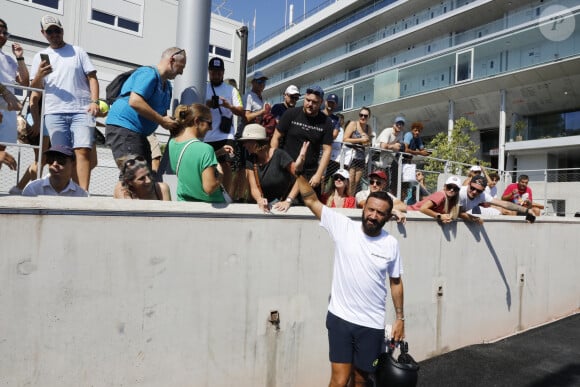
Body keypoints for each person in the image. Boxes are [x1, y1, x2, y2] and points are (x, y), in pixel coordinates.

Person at [294, 168, 405, 387]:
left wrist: (400, 318)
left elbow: (396, 282)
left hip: (371, 324)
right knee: (339, 379)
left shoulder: (391, 244)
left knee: (361, 379)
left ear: (387, 216)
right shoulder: (344, 227)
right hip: (340, 320)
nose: (373, 216)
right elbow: (311, 200)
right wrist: (298, 173)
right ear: (364, 209)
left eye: (380, 213)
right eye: (370, 210)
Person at [30, 15, 99, 191]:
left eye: (57, 30)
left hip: (82, 110)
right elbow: (35, 89)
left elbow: (92, 78)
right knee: (61, 156)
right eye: (49, 31)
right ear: (43, 33)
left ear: (62, 30)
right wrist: (39, 75)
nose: (54, 34)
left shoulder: (78, 51)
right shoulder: (39, 57)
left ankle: (83, 194)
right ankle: (65, 192)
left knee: (83, 151)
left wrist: (94, 101)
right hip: (53, 112)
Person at [106, 47, 185, 170]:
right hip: (125, 128)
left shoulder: (167, 87)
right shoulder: (148, 74)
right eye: (182, 66)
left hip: (139, 134)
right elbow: (135, 101)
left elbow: (162, 115)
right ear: (172, 60)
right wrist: (162, 121)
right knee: (134, 175)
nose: (181, 72)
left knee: (144, 176)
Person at [270, 85, 333, 201]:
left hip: (310, 175)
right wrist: (274, 162)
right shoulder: (291, 114)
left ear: (321, 103)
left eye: (314, 102)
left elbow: (327, 150)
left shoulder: (326, 122)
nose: (310, 104)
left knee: (310, 211)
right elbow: (276, 137)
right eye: (308, 100)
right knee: (280, 207)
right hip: (287, 170)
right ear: (304, 98)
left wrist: (319, 174)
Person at [168, 103, 233, 203]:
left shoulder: (172, 143)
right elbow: (209, 188)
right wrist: (220, 174)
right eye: (209, 123)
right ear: (197, 121)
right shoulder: (206, 149)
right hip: (209, 209)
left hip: (184, 204)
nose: (211, 128)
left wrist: (217, 153)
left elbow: (191, 163)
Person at [238, 123, 305, 213]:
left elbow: (300, 178)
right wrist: (259, 199)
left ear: (257, 142)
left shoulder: (280, 155)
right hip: (267, 207)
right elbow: (254, 188)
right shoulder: (250, 160)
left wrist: (288, 200)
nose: (244, 145)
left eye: (247, 141)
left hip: (287, 207)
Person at [204, 57, 244, 193]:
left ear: (223, 72)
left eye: (219, 72)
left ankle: (226, 196)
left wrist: (229, 105)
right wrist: (207, 105)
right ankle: (207, 192)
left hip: (225, 134)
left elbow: (241, 111)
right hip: (206, 135)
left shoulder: (232, 90)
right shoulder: (203, 87)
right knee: (206, 166)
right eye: (213, 72)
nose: (216, 75)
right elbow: (195, 109)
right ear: (209, 71)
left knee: (226, 165)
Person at [0, 18, 30, 164]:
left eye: (5, 32)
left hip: (7, 111)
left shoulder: (9, 60)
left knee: (1, 155)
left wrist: (20, 57)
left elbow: (24, 82)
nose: (2, 35)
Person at [458, 175, 536, 224]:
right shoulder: (461, 193)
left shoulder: (482, 195)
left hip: (465, 211)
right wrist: (474, 219)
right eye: (472, 188)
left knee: (499, 211)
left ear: (483, 190)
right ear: (468, 184)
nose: (474, 192)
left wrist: (526, 210)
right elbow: (458, 213)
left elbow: (504, 204)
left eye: (478, 190)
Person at [22, 145, 88, 197]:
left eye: (61, 160)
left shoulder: (81, 195)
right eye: (50, 160)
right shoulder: (33, 189)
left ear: (73, 164)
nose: (54, 164)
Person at [343, 107, 372, 194]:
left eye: (365, 116)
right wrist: (360, 140)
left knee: (356, 181)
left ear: (368, 117)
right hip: (351, 156)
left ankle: (351, 199)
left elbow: (368, 142)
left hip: (361, 157)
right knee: (350, 180)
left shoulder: (368, 128)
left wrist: (367, 141)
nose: (363, 117)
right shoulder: (353, 124)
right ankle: (347, 200)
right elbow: (345, 139)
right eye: (361, 115)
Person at [377, 116, 406, 194]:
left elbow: (400, 146)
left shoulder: (400, 134)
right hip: (376, 159)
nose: (399, 126)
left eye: (401, 124)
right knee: (376, 182)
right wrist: (393, 146)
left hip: (386, 162)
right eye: (398, 124)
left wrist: (394, 146)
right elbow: (383, 146)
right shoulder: (387, 131)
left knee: (385, 183)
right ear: (394, 125)